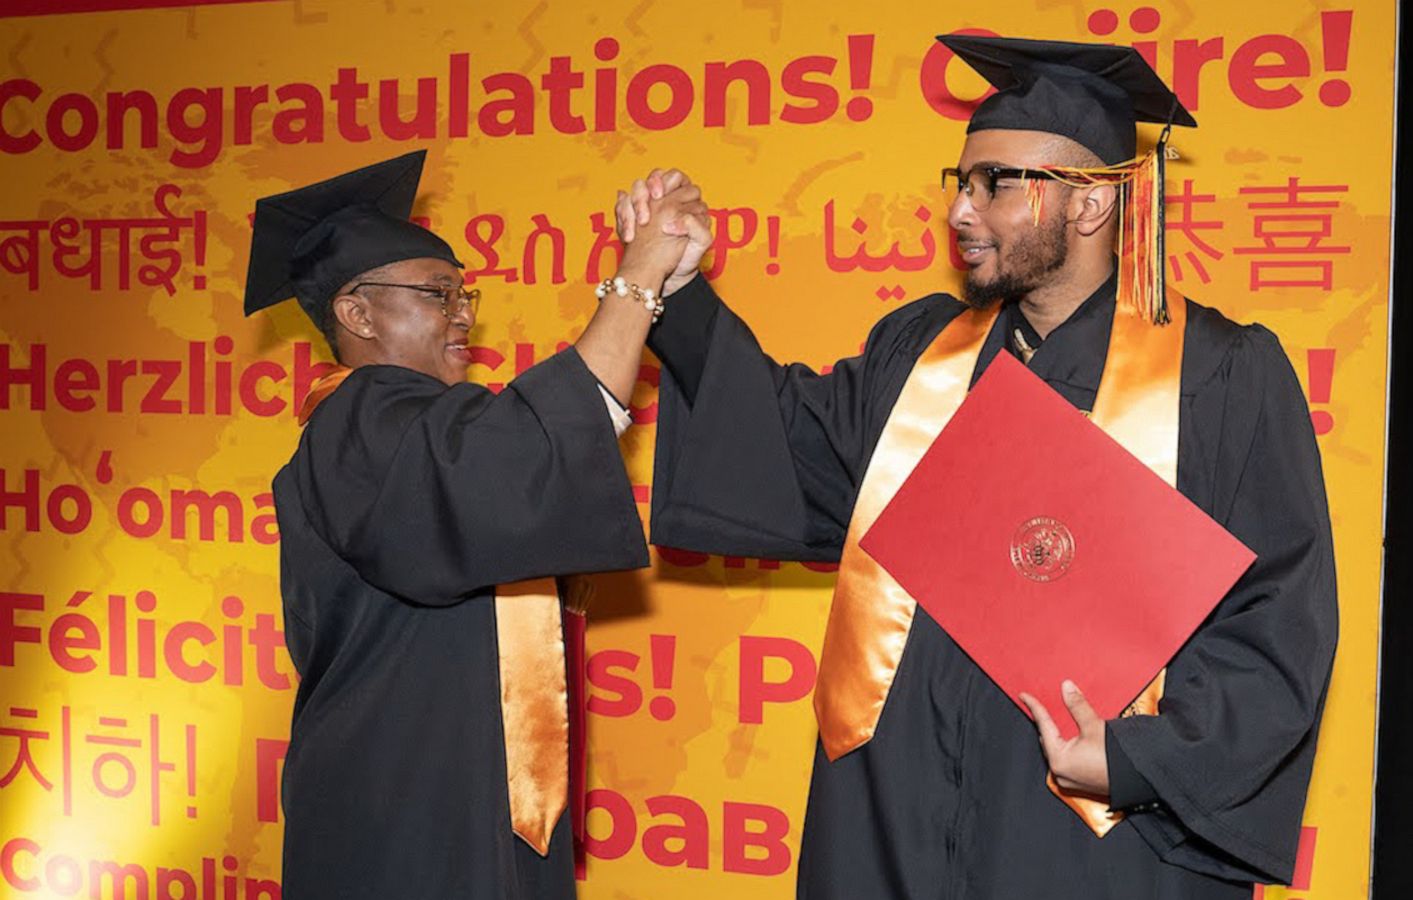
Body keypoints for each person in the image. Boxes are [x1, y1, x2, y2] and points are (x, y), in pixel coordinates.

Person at [624, 36, 1337, 900]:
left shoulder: (1221, 377)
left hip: (1085, 839)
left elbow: (1277, 620)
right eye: (959, 183)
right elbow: (791, 444)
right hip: (893, 815)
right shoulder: (922, 355)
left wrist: (1135, 758)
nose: (962, 211)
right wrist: (683, 296)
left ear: (1089, 206)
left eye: (996, 182)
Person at [244, 151, 706, 898]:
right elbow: (513, 465)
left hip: (471, 786)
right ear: (356, 313)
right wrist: (638, 279)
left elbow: (515, 475)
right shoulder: (356, 418)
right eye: (437, 293)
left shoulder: (419, 423)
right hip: (399, 804)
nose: (463, 312)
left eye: (465, 293)